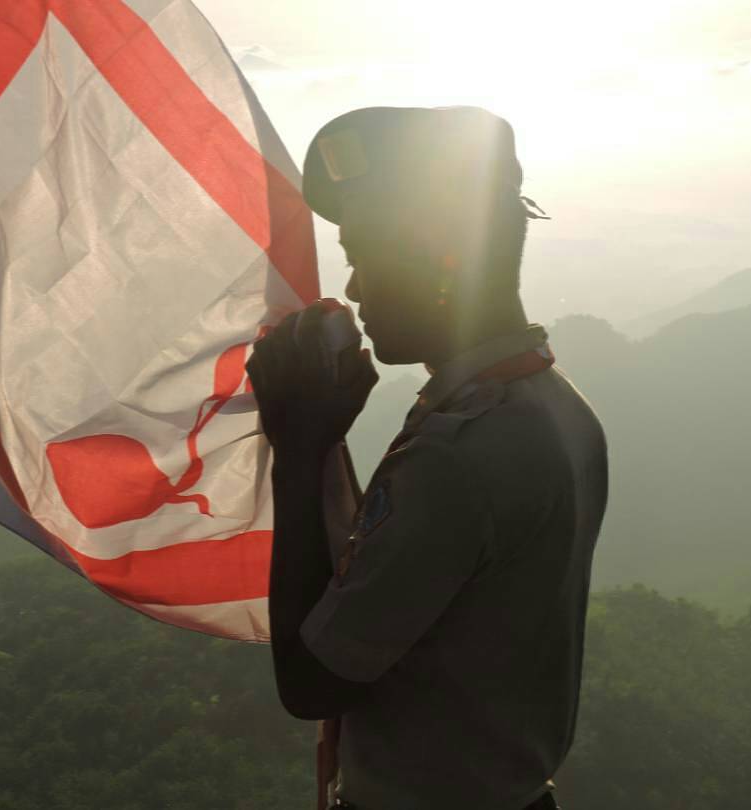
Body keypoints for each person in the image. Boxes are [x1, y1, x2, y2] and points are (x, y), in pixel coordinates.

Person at [246, 106, 608, 810]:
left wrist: (299, 452)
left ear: (429, 251)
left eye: (360, 256)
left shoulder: (462, 454)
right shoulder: (553, 407)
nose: (351, 288)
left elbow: (311, 683)